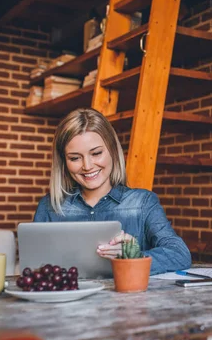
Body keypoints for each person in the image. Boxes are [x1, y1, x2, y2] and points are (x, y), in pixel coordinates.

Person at [33, 108, 191, 275]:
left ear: (113, 151)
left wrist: (135, 257)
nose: (87, 166)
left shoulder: (143, 203)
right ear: (64, 162)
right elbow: (33, 265)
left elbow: (179, 254)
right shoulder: (49, 206)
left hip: (128, 300)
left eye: (96, 153)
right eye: (75, 158)